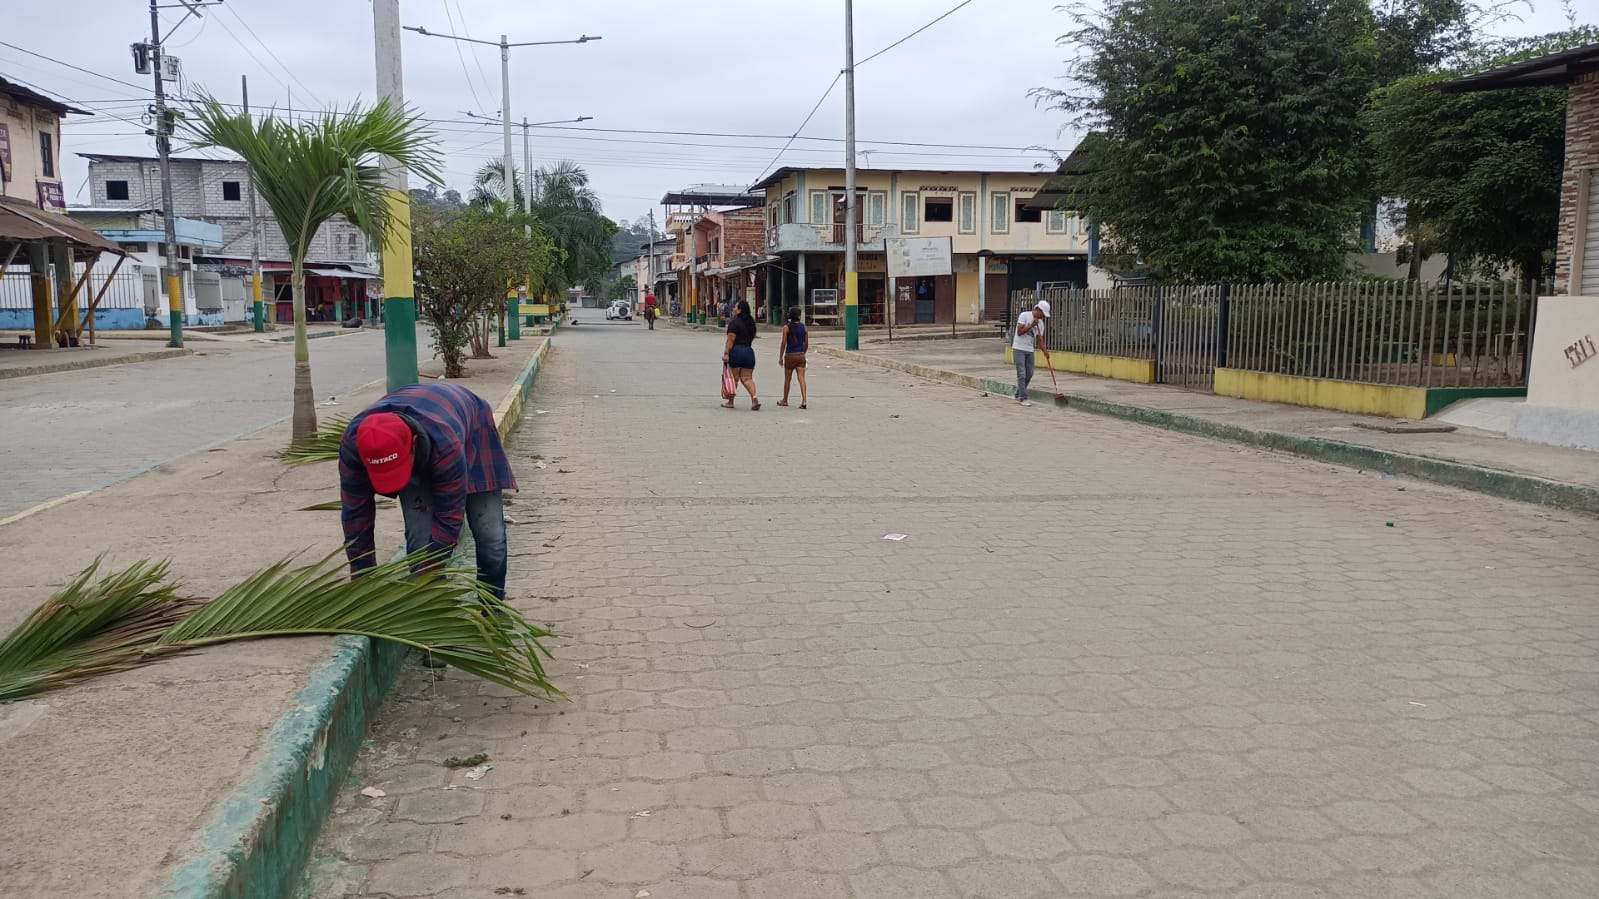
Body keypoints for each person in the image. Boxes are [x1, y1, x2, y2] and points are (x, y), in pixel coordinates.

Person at [339, 382, 517, 606]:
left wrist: (429, 573)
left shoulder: (445, 444)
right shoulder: (354, 443)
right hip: (426, 425)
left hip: (473, 427)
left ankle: (492, 606)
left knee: (490, 534)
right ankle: (429, 609)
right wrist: (362, 580)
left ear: (413, 444)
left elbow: (449, 518)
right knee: (420, 540)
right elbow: (356, 515)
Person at [721, 298, 760, 411]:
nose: (734, 309)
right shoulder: (751, 323)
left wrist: (726, 353)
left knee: (734, 379)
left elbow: (730, 340)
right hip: (748, 352)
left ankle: (730, 402)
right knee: (747, 378)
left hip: (736, 352)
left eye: (735, 307)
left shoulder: (734, 323)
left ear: (739, 310)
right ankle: (754, 397)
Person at [1012, 299, 1051, 407]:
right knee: (1021, 373)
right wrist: (1032, 325)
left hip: (1029, 350)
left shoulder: (1041, 324)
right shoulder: (1024, 315)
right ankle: (1023, 398)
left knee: (1029, 374)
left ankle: (1018, 393)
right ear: (1038, 310)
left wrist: (1045, 351)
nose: (1043, 317)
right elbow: (1019, 332)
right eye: (1042, 314)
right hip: (1019, 348)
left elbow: (1040, 339)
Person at [777, 307, 809, 409]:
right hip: (800, 355)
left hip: (790, 355)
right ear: (799, 316)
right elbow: (806, 343)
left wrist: (781, 357)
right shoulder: (804, 327)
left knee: (787, 379)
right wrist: (803, 353)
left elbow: (783, 343)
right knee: (801, 378)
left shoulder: (786, 327)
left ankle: (785, 400)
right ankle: (804, 400)